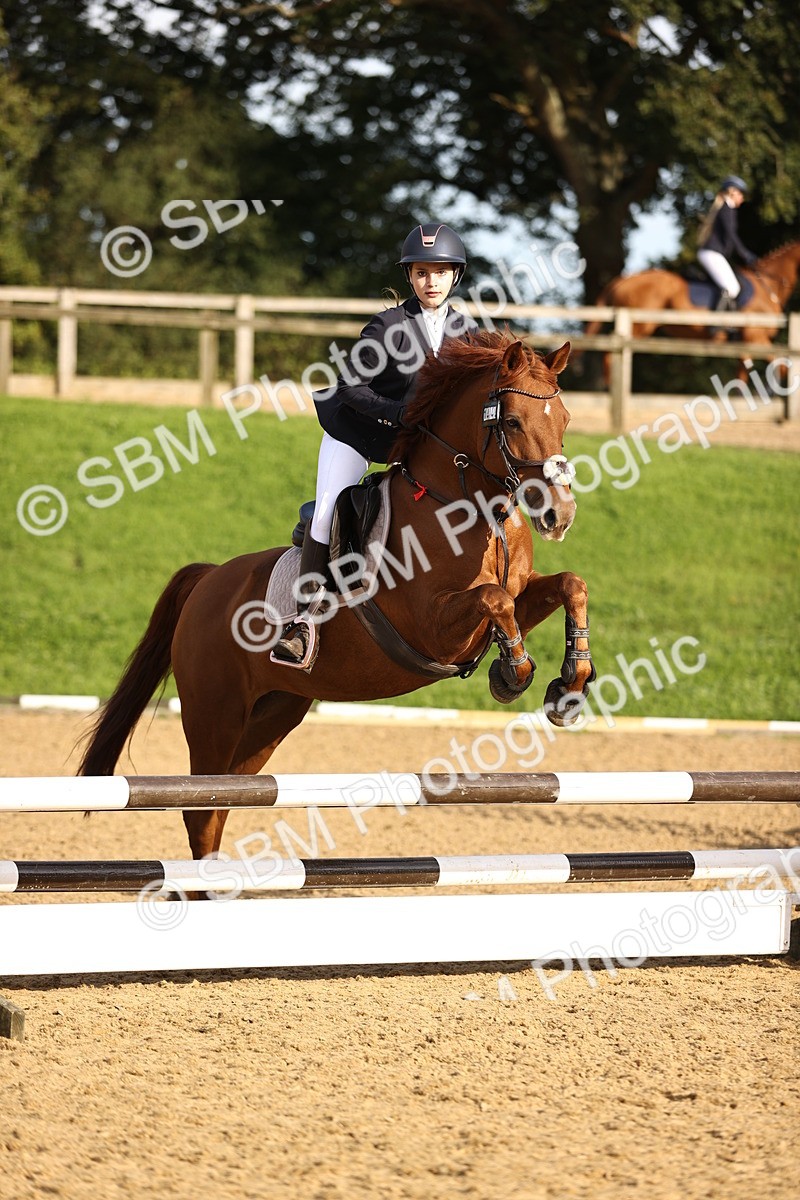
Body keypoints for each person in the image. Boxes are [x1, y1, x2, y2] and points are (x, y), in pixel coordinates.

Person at [273, 222, 478, 666]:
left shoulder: (467, 331)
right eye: (422, 273)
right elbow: (349, 386)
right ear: (410, 277)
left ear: (454, 276)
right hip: (360, 432)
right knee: (328, 509)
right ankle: (302, 622)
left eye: (440, 273)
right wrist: (396, 413)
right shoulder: (389, 325)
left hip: (416, 446)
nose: (431, 282)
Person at [697, 175, 758, 310]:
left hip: (712, 253)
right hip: (712, 253)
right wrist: (745, 254)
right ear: (732, 192)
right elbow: (731, 235)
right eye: (741, 194)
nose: (742, 198)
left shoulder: (726, 208)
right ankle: (717, 323)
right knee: (732, 288)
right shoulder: (726, 209)